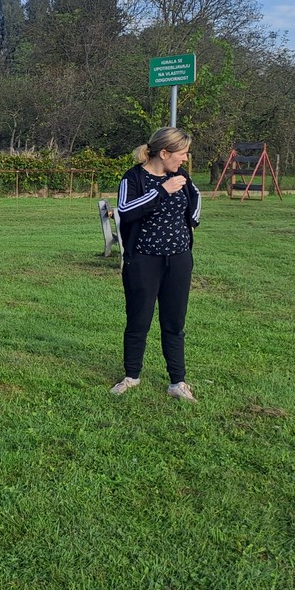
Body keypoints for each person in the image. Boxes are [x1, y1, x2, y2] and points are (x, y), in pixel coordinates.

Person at [111, 127, 202, 401]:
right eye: (182, 153)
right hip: (143, 261)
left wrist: (192, 223)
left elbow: (196, 199)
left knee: (174, 322)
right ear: (164, 153)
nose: (185, 159)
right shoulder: (134, 177)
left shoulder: (181, 176)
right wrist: (161, 191)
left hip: (178, 260)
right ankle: (131, 376)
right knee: (138, 319)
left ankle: (177, 382)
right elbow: (125, 212)